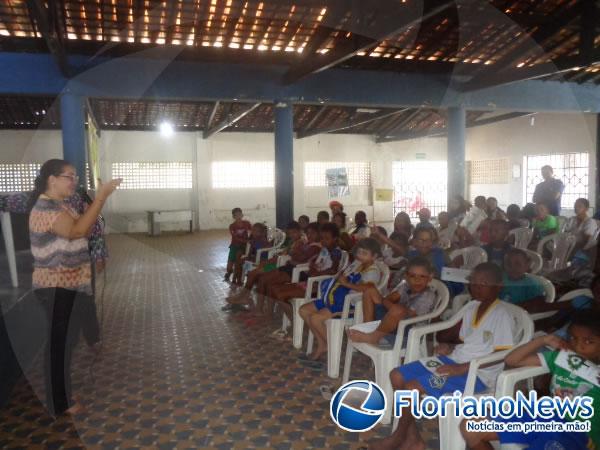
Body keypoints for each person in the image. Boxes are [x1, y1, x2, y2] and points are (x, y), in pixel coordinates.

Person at [370, 263, 515, 450]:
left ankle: (399, 436)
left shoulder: (502, 314)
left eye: (484, 283)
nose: (477, 287)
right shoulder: (472, 306)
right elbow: (470, 342)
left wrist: (461, 369)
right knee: (396, 375)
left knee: (412, 388)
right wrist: (449, 346)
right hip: (454, 361)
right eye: (474, 282)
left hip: (477, 374)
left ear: (498, 286)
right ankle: (413, 440)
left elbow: (504, 354)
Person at [29, 159, 121, 416]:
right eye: (69, 176)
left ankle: (62, 393)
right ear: (52, 179)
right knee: (60, 345)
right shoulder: (45, 209)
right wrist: (100, 198)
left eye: (75, 176)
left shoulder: (62, 205)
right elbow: (78, 231)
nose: (74, 181)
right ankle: (60, 400)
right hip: (56, 287)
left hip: (71, 285)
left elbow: (86, 226)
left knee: (67, 343)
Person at [461, 310, 600, 450]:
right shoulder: (562, 358)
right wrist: (542, 340)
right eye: (573, 338)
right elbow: (512, 360)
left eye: (589, 341)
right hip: (547, 419)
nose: (578, 346)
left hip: (579, 435)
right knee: (470, 427)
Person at [298, 238, 381, 364]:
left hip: (349, 304)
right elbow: (342, 275)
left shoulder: (373, 271)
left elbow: (366, 289)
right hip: (336, 298)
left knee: (315, 318)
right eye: (359, 252)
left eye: (364, 254)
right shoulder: (357, 264)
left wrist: (346, 284)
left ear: (374, 256)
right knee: (303, 310)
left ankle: (333, 348)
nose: (360, 256)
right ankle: (323, 344)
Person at [269, 223, 342, 331]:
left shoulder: (336, 253)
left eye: (327, 238)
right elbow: (314, 266)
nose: (323, 241)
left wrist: (315, 272)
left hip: (319, 287)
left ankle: (296, 324)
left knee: (280, 294)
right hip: (310, 281)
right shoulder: (324, 250)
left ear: (335, 239)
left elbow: (333, 271)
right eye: (322, 238)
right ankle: (296, 321)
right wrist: (313, 268)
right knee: (274, 289)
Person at [347, 257, 436, 345]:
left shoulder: (427, 296)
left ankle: (373, 337)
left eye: (422, 276)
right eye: (413, 276)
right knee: (370, 290)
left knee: (398, 310)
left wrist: (391, 306)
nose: (417, 280)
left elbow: (409, 315)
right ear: (406, 276)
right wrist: (391, 306)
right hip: (390, 323)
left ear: (430, 278)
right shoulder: (405, 286)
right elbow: (388, 299)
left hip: (408, 332)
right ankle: (368, 327)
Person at [223, 221, 301, 310]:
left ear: (300, 231)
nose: (291, 235)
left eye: (294, 233)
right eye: (290, 233)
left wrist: (278, 258)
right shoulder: (292, 242)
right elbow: (284, 254)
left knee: (255, 274)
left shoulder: (300, 243)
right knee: (254, 273)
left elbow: (288, 257)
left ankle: (244, 296)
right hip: (277, 264)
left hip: (278, 266)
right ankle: (244, 296)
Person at [225, 208, 252, 282]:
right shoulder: (232, 226)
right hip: (234, 246)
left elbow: (252, 230)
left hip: (244, 246)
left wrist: (250, 239)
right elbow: (235, 238)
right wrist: (247, 240)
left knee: (239, 262)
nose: (238, 216)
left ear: (242, 215)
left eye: (239, 214)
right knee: (229, 266)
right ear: (233, 217)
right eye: (236, 215)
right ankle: (229, 272)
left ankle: (238, 276)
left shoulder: (247, 223)